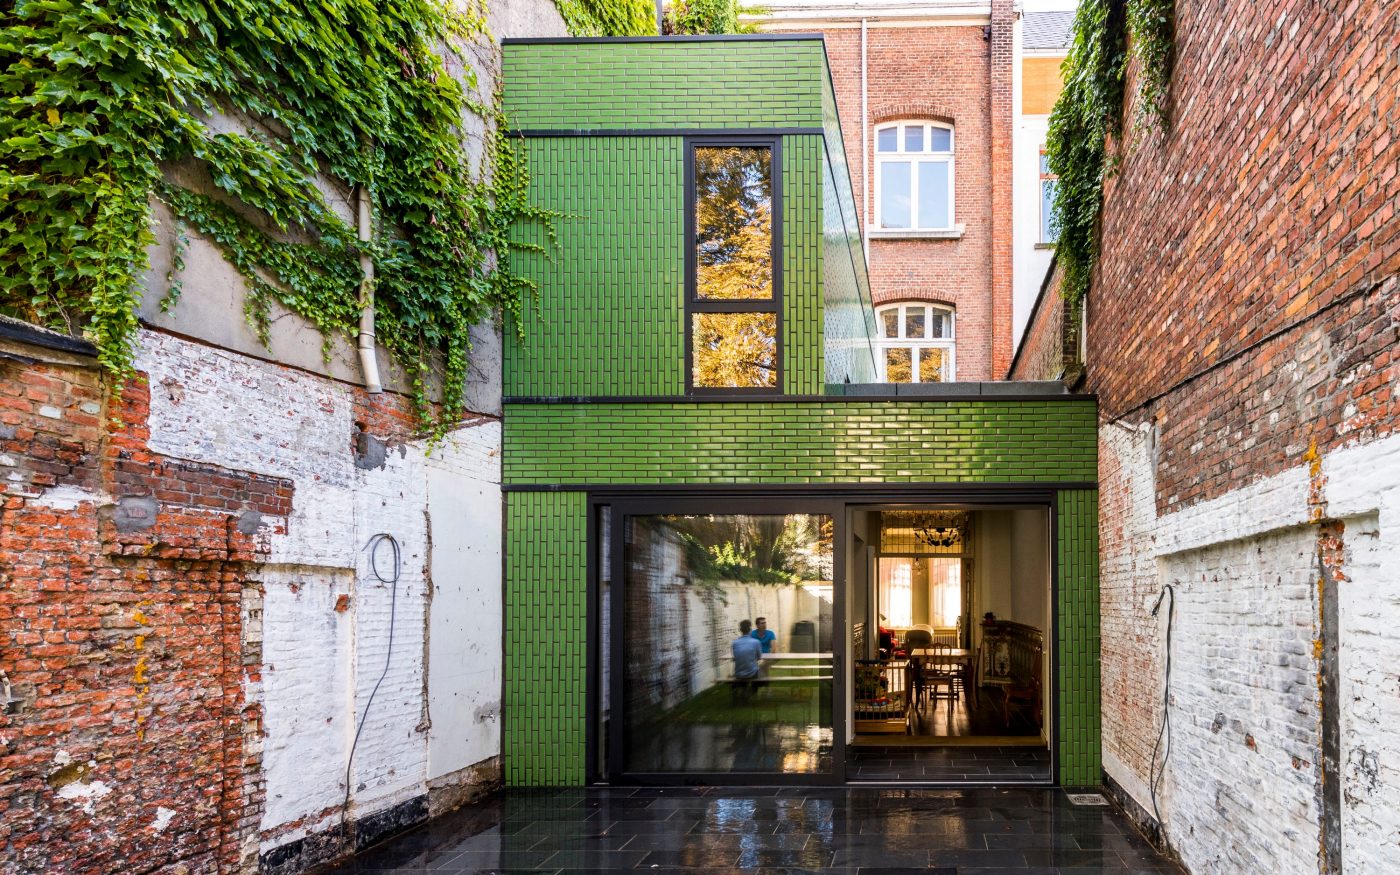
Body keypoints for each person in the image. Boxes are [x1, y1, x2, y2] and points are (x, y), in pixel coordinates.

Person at [731, 619, 763, 703]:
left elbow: (735, 657)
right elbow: (759, 657)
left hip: (738, 673)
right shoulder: (756, 642)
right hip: (751, 673)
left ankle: (743, 691)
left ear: (740, 630)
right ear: (750, 630)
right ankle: (752, 693)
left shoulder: (735, 643)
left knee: (744, 671)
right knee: (762, 673)